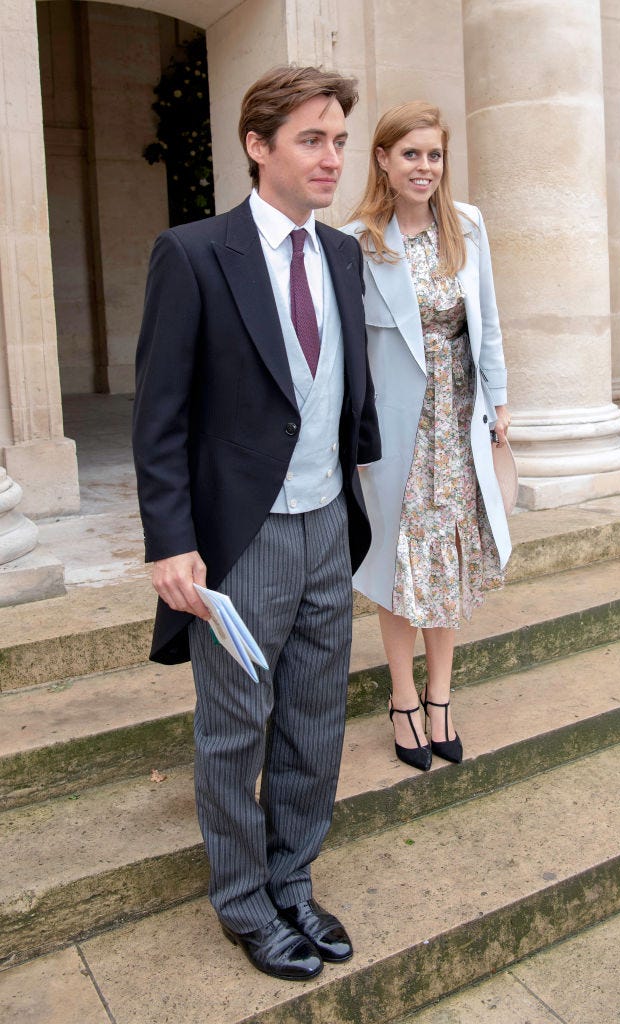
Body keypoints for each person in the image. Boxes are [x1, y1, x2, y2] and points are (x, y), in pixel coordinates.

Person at [132, 66, 381, 982]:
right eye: (312, 139)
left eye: (339, 141)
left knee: (316, 723)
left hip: (326, 527)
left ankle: (293, 881)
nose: (331, 158)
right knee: (235, 730)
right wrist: (170, 540)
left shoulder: (342, 255)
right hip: (241, 543)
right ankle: (243, 904)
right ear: (257, 145)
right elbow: (158, 417)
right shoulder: (194, 254)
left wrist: (359, 472)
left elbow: (341, 385)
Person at [342, 101, 511, 773]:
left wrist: (500, 402)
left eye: (433, 154)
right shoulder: (357, 241)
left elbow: (488, 322)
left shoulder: (466, 225)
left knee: (450, 563)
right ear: (383, 158)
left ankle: (441, 696)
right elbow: (346, 350)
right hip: (395, 432)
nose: (423, 167)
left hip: (458, 423)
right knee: (398, 563)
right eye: (410, 153)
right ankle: (403, 697)